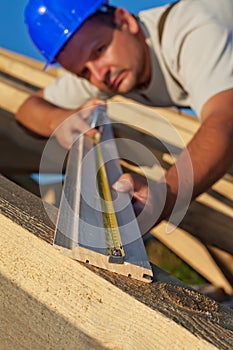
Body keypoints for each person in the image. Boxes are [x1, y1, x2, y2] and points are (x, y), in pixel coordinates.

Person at [16, 0, 233, 231]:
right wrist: (60, 121)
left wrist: (162, 197)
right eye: (83, 73)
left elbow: (225, 121)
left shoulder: (192, 30)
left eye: (99, 50)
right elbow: (28, 110)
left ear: (125, 21)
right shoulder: (105, 67)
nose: (100, 75)